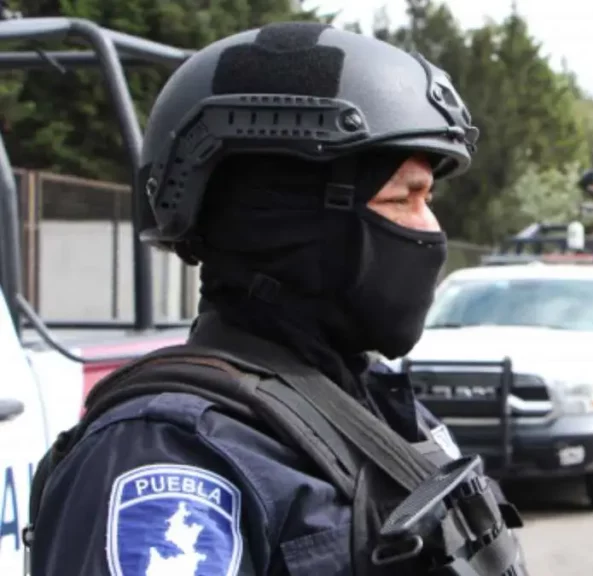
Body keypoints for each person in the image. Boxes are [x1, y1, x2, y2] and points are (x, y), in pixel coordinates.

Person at [26, 22, 527, 576]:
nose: (432, 231)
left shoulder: (378, 405)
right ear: (296, 223)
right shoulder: (173, 455)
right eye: (404, 198)